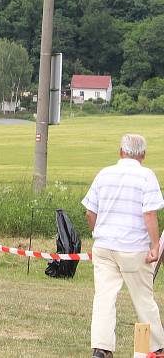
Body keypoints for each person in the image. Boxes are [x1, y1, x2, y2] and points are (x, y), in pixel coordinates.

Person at [83, 134, 164, 358]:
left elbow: (90, 212)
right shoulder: (147, 176)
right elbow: (150, 213)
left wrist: (98, 232)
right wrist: (155, 246)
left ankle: (101, 348)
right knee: (143, 298)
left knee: (104, 298)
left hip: (104, 247)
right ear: (143, 156)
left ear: (121, 152)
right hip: (134, 248)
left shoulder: (104, 174)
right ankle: (155, 348)